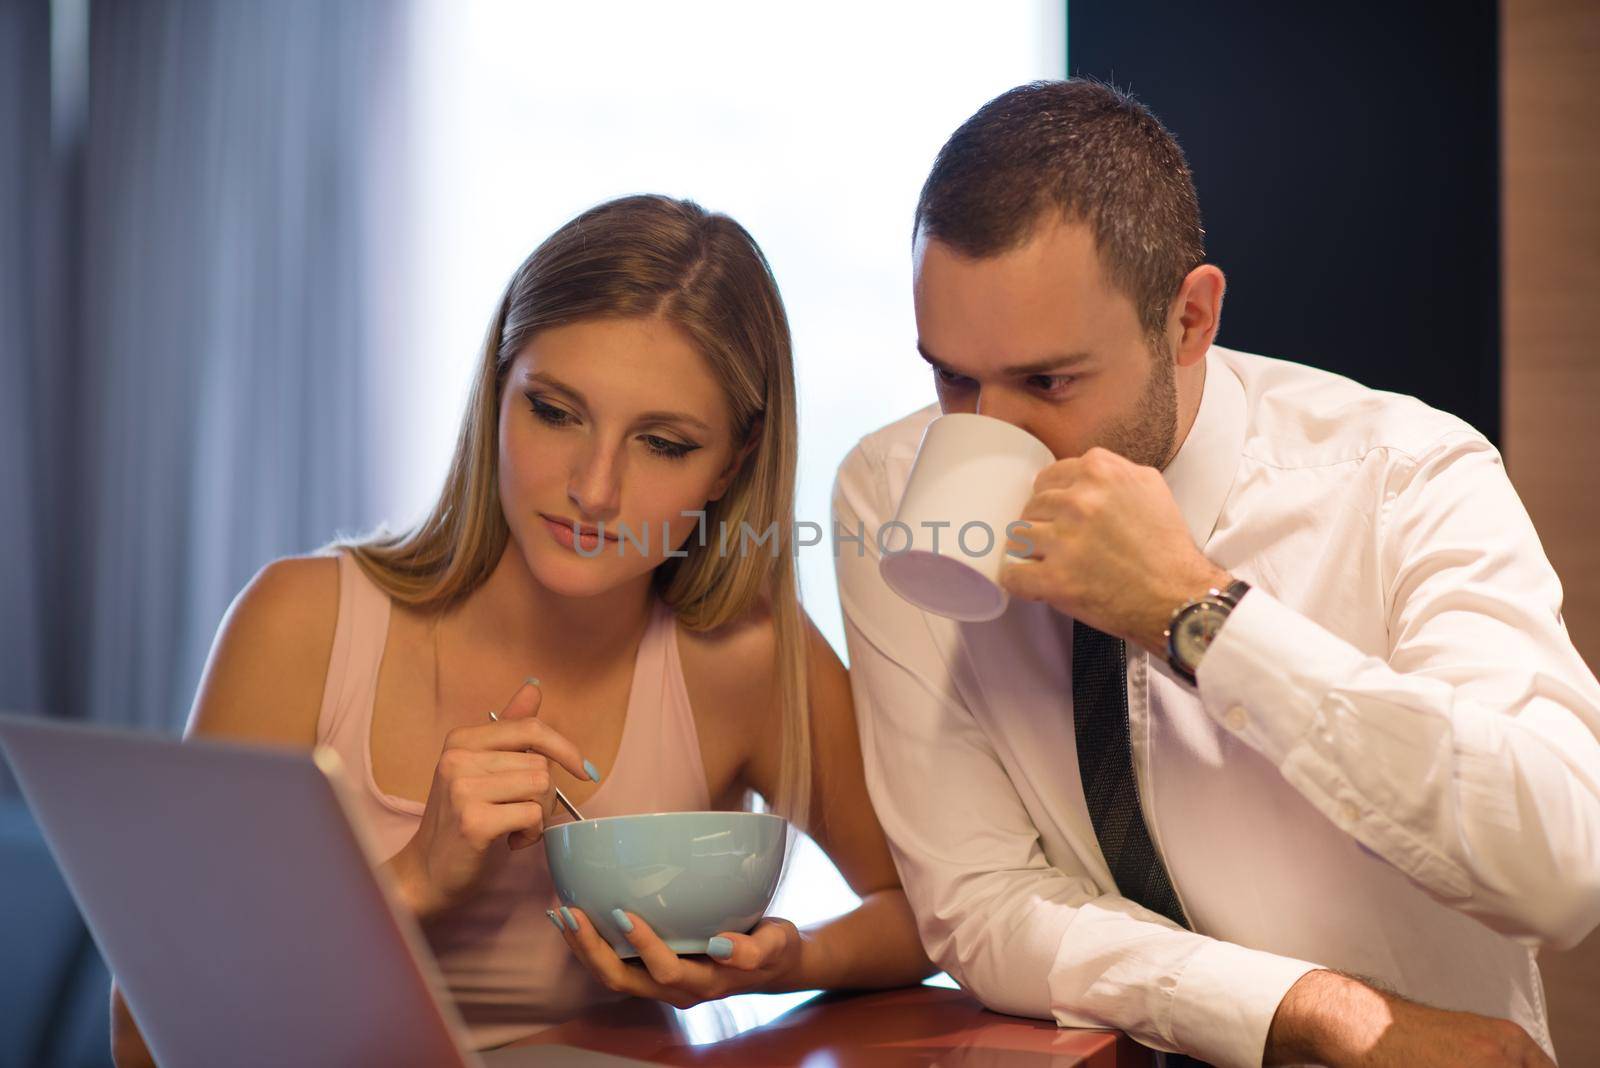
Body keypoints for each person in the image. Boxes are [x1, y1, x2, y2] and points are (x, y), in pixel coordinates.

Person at [833, 80, 1600, 1068]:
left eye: (1046, 382)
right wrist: (1307, 1007)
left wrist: (1199, 617)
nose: (985, 431)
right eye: (950, 376)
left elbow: (1563, 872)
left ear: (1188, 320)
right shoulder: (888, 487)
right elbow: (979, 907)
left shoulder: (1404, 477)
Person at [110, 193, 932, 1066]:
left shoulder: (746, 654)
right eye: (555, 411)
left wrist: (781, 962)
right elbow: (140, 1039)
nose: (595, 488)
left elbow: (929, 915)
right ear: (496, 393)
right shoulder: (300, 626)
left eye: (663, 442)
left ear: (734, 461)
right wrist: (416, 879)